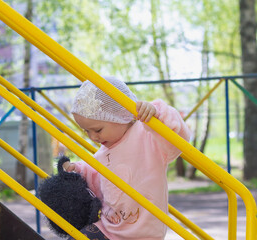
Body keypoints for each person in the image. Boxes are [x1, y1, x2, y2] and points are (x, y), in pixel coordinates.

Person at [63, 76, 191, 240]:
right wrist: (78, 170)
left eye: (97, 129)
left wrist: (156, 114)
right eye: (86, 131)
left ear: (120, 115)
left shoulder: (146, 135)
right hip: (108, 228)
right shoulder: (104, 152)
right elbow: (97, 177)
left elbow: (179, 139)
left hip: (142, 235)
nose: (92, 137)